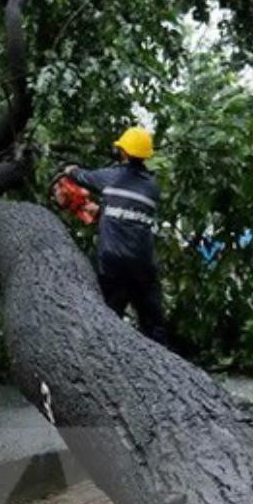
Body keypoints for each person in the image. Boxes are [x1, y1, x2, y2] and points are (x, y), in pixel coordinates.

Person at [65, 127, 168, 344]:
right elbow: (131, 213)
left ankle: (100, 357)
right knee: (153, 322)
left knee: (107, 318)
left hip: (113, 262)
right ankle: (163, 358)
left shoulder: (110, 176)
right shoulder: (153, 187)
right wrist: (103, 212)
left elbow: (83, 176)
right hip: (142, 262)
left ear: (123, 152)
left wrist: (70, 170)